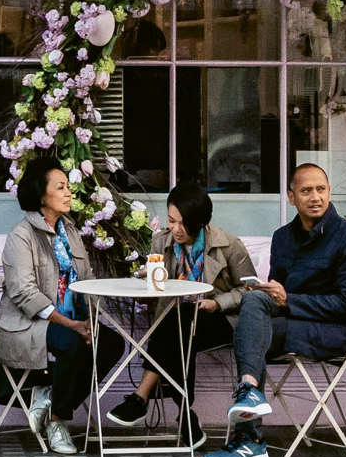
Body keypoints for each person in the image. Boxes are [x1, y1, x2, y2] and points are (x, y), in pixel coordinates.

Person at [203, 161, 346, 457]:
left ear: (330, 193)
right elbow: (274, 296)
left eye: (321, 189)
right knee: (254, 302)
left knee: (253, 334)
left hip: (333, 331)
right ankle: (250, 393)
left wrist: (289, 299)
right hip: (293, 323)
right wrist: (268, 293)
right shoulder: (282, 237)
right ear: (291, 197)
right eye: (306, 191)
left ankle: (249, 438)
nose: (315, 197)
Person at [106, 183, 253, 440]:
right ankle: (185, 414)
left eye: (182, 224)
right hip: (177, 321)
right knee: (180, 327)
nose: (175, 229)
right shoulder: (160, 241)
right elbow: (159, 287)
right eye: (171, 221)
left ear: (199, 221)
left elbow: (250, 289)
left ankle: (141, 398)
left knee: (179, 324)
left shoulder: (229, 244)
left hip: (219, 319)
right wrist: (148, 276)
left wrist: (218, 303)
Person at [0, 157, 94, 455]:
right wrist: (73, 325)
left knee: (109, 343)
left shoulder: (71, 231)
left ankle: (49, 399)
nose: (68, 193)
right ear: (41, 196)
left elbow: (86, 279)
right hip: (27, 324)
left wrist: (88, 321)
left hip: (69, 321)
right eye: (60, 187)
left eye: (68, 187)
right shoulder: (21, 234)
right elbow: (24, 293)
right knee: (74, 344)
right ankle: (59, 421)